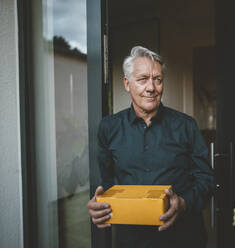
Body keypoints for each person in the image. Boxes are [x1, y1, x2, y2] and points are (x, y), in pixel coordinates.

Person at [87, 46, 214, 248]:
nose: (151, 87)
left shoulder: (186, 125)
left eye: (157, 79)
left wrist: (184, 203)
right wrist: (99, 203)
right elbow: (106, 182)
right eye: (143, 79)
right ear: (127, 84)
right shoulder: (109, 127)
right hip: (132, 241)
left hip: (184, 238)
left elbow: (206, 179)